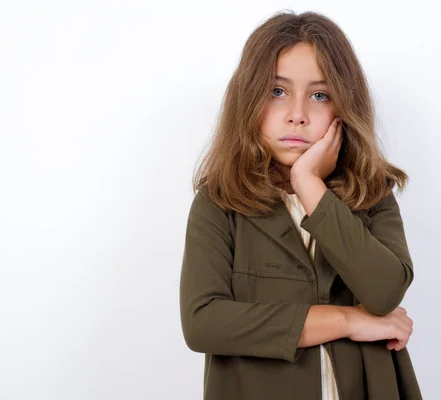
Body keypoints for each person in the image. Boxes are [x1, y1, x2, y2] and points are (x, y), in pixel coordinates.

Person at [179, 10, 422, 400]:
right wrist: (346, 320)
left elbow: (385, 292)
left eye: (319, 95)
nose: (297, 115)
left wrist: (309, 184)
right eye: (277, 91)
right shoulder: (219, 202)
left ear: (344, 108)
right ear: (249, 98)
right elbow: (203, 323)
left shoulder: (372, 195)